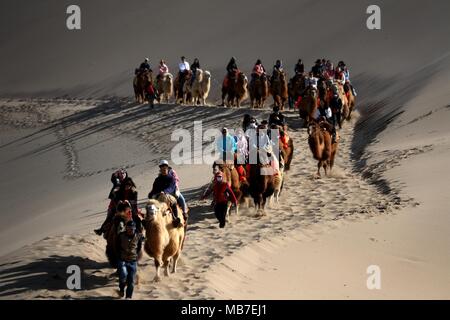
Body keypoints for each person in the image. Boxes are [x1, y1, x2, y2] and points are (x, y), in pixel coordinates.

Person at [148, 160, 183, 227]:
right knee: (150, 205)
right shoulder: (157, 180)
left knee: (174, 203)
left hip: (169, 195)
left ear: (167, 168)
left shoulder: (171, 178)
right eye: (162, 168)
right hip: (159, 196)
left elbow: (171, 187)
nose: (163, 169)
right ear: (160, 169)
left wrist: (164, 192)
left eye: (165, 167)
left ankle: (175, 218)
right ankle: (149, 221)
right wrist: (151, 194)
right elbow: (154, 189)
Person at [117, 220, 144, 299]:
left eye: (132, 228)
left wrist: (135, 256)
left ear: (134, 228)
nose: (130, 230)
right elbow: (117, 246)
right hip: (123, 260)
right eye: (128, 228)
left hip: (133, 261)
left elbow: (139, 248)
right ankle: (121, 288)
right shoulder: (121, 235)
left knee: (131, 281)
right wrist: (120, 256)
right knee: (123, 275)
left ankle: (128, 297)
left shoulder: (138, 236)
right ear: (126, 228)